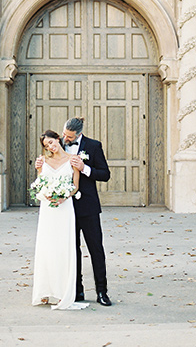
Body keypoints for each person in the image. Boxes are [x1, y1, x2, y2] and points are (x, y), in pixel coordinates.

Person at [31, 130, 87, 310]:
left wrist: (64, 196)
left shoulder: (73, 160)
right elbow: (39, 183)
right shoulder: (43, 162)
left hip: (64, 208)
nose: (50, 147)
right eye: (46, 145)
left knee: (63, 248)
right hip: (48, 209)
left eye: (51, 142)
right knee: (46, 248)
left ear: (58, 139)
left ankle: (62, 291)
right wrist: (46, 194)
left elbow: (75, 186)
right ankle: (45, 291)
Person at [62, 116, 112, 307]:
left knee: (96, 250)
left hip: (88, 207)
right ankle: (77, 290)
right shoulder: (59, 144)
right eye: (65, 134)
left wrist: (85, 168)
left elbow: (105, 174)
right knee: (71, 251)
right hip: (67, 208)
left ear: (79, 134)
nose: (66, 139)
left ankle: (102, 291)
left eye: (69, 136)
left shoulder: (93, 146)